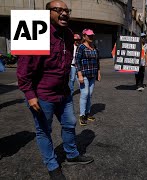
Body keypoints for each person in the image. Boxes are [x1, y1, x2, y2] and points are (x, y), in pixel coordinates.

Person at [16, 1, 94, 179]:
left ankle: (72, 155)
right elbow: (22, 69)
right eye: (58, 10)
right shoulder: (34, 28)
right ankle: (52, 165)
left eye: (67, 10)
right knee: (44, 130)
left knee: (69, 123)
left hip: (63, 92)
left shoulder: (68, 34)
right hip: (42, 95)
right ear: (47, 13)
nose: (64, 13)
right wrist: (30, 95)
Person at [75, 28, 101, 126]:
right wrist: (80, 75)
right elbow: (77, 61)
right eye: (89, 35)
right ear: (84, 36)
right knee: (85, 94)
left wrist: (98, 72)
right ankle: (82, 115)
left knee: (90, 94)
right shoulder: (81, 47)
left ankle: (87, 113)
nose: (91, 37)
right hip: (84, 74)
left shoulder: (94, 47)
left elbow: (97, 61)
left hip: (92, 75)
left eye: (92, 35)